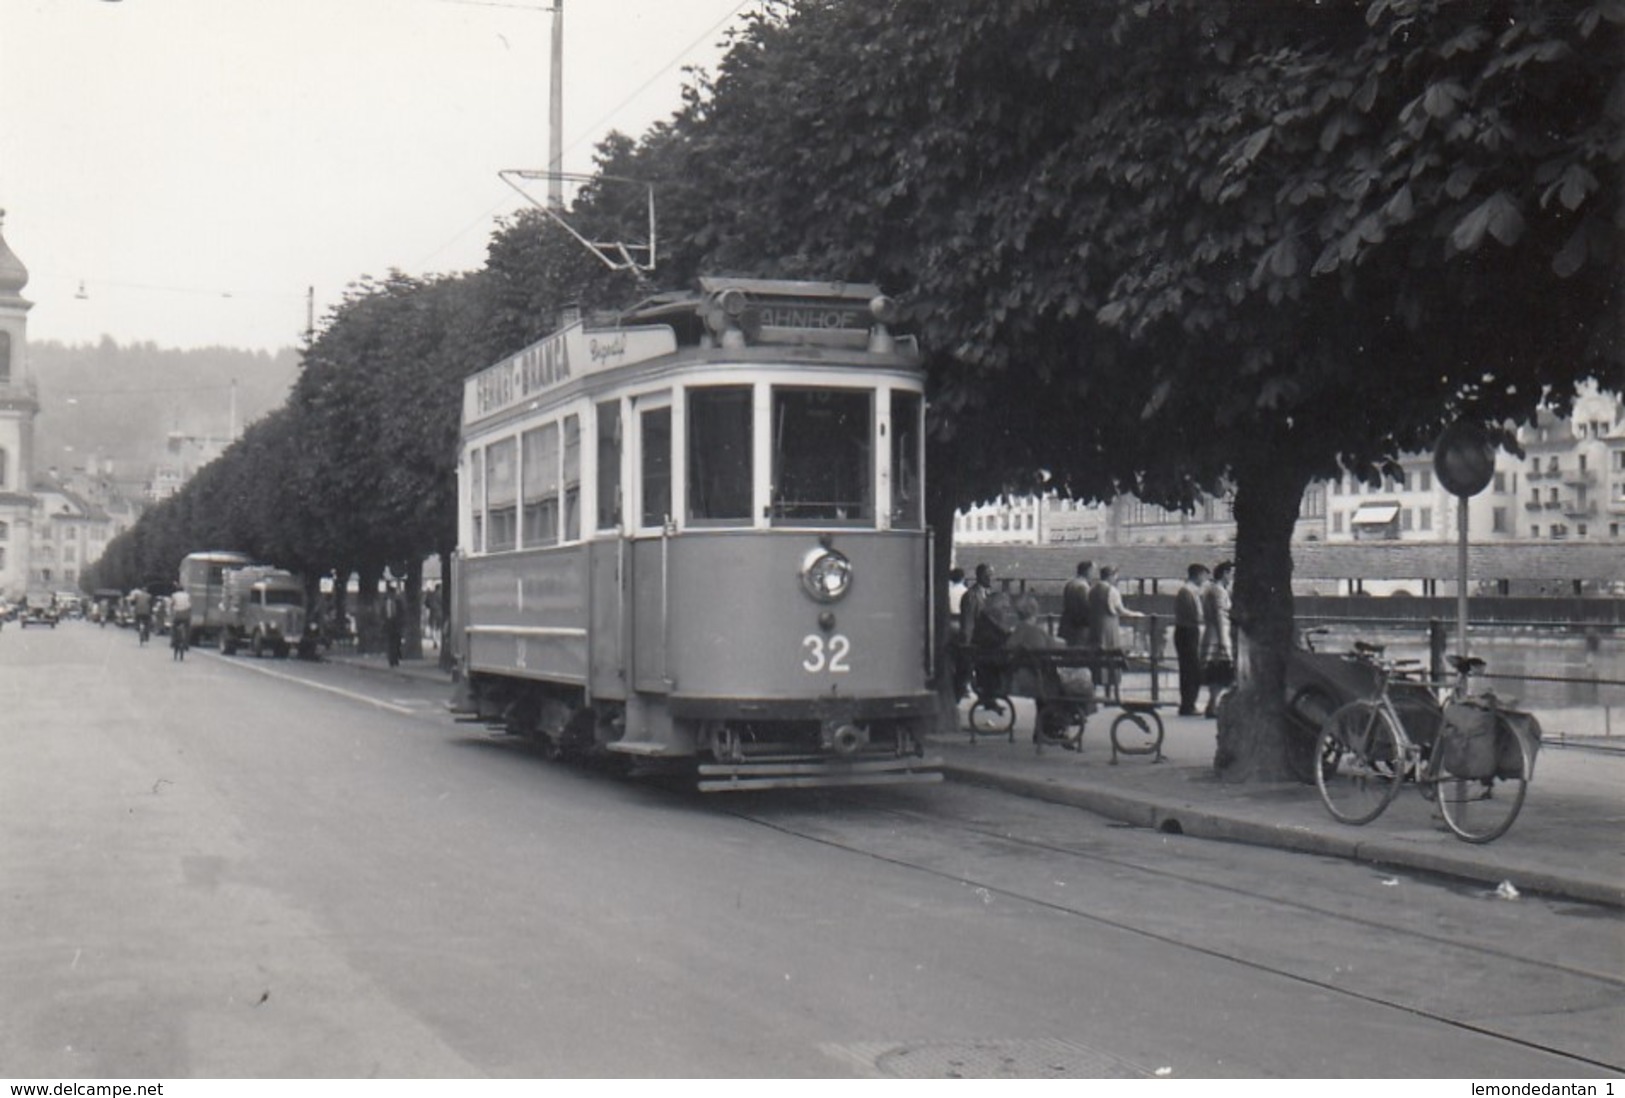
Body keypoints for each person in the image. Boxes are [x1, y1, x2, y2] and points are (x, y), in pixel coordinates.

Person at [1087, 565, 1143, 702]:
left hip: (1094, 627)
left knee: (1097, 658)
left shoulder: (1092, 590)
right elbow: (1120, 610)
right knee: (1111, 657)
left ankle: (1095, 689)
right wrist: (1136, 614)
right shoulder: (1112, 591)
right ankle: (1111, 694)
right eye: (1116, 576)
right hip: (1109, 627)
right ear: (1111, 576)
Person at [961, 563, 1013, 701]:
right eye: (987, 575)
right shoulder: (971, 596)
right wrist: (967, 642)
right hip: (978, 641)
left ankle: (991, 695)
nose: (990, 578)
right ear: (979, 576)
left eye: (991, 575)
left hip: (989, 641)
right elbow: (968, 621)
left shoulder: (989, 595)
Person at [1201, 560, 1236, 718]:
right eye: (1230, 574)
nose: (1231, 578)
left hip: (1211, 634)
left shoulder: (1211, 589)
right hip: (1218, 635)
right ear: (1224, 574)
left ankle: (1212, 704)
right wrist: (1224, 641)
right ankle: (1214, 705)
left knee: (1215, 671)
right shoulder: (1219, 592)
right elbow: (1221, 616)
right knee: (1220, 671)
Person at [1174, 563, 1210, 716]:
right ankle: (1188, 704)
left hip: (1187, 631)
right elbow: (1194, 615)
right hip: (1187, 631)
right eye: (1204, 575)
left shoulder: (1188, 591)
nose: (1205, 579)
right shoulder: (1188, 592)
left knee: (1189, 668)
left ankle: (1189, 703)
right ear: (1198, 574)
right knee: (1190, 668)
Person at [1057, 560, 1094, 648]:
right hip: (1079, 628)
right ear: (1087, 571)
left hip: (1066, 624)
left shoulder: (1070, 584)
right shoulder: (1083, 587)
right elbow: (1086, 607)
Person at [382, 582, 405, 667]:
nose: (391, 595)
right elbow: (383, 613)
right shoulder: (385, 602)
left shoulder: (398, 602)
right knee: (390, 643)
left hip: (397, 625)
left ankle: (396, 659)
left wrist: (401, 624)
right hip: (388, 625)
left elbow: (402, 613)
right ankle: (392, 660)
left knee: (397, 643)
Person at [168, 586, 192, 661]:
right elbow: (190, 605)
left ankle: (173, 642)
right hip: (186, 615)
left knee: (174, 627)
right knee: (187, 628)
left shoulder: (174, 595)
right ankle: (186, 644)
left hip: (177, 614)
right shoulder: (187, 595)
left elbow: (171, 605)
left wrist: (171, 612)